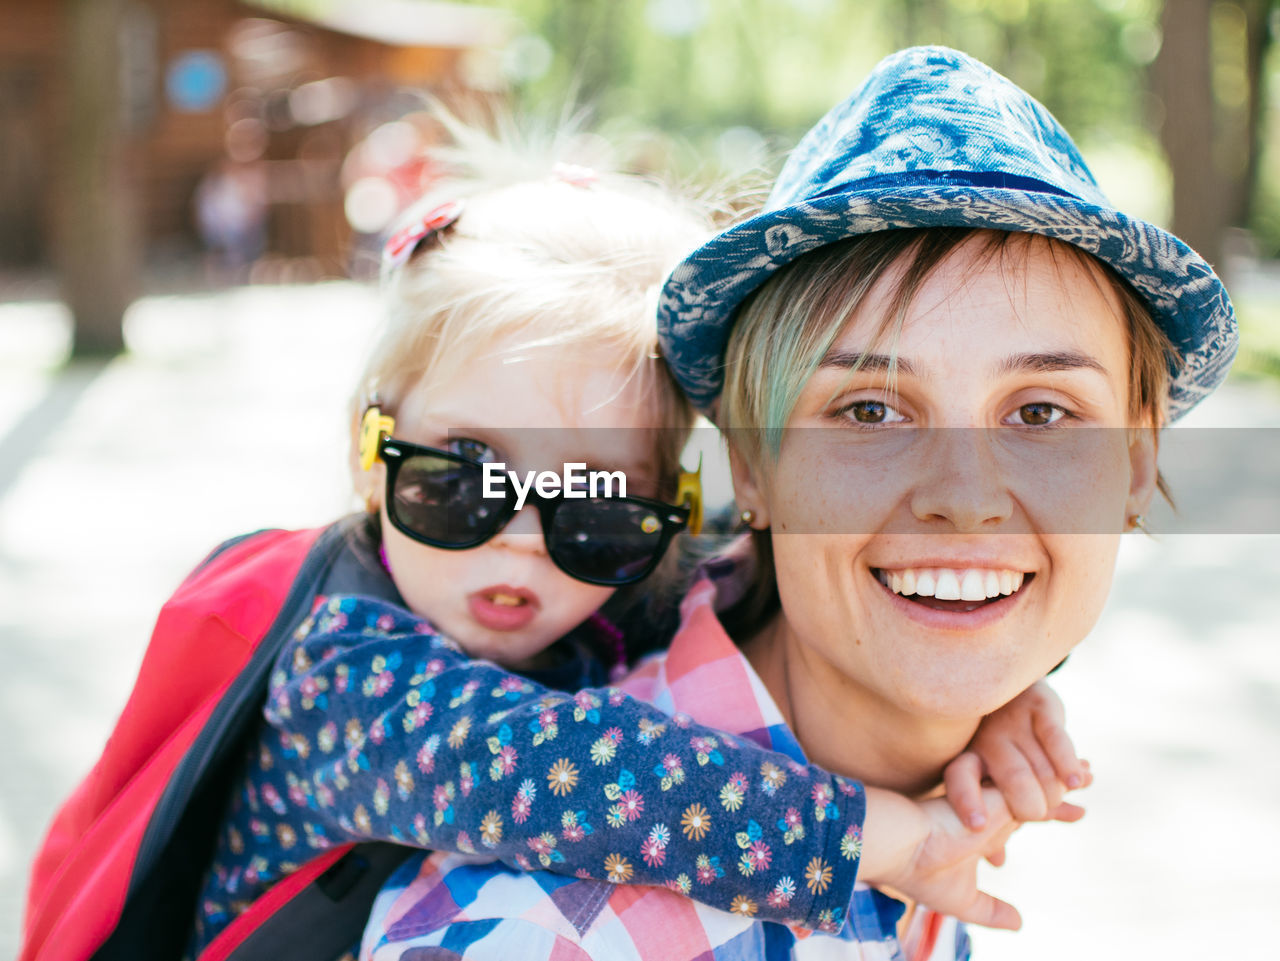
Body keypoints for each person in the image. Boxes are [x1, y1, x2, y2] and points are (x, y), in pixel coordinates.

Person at [359, 46, 1237, 960]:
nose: (966, 499)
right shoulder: (534, 930)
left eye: (1043, 413)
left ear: (1135, 464)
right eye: (868, 410)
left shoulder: (941, 782)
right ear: (754, 468)